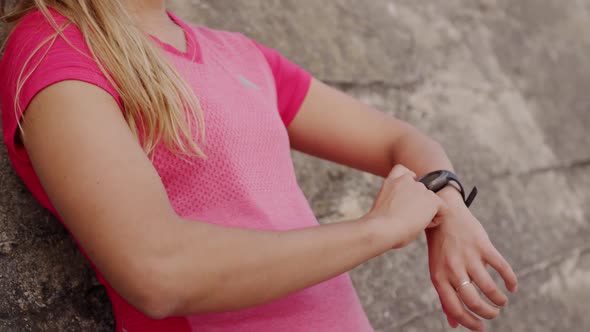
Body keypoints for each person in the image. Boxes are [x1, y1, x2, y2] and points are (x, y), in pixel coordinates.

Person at [0, 1, 518, 331]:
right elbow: (157, 270)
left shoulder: (239, 54)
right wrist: (378, 231)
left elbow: (401, 140)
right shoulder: (53, 46)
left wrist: (450, 204)